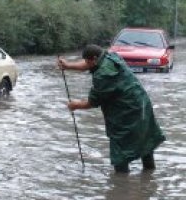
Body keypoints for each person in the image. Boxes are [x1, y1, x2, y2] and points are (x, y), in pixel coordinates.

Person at [58, 44, 165, 173]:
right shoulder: (110, 56)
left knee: (119, 150)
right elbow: (89, 64)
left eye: (87, 61)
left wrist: (74, 105)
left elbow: (92, 102)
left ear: (94, 58)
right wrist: (68, 66)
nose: (86, 63)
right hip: (142, 104)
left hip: (127, 111)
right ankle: (149, 177)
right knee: (145, 141)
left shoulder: (102, 75)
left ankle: (121, 183)